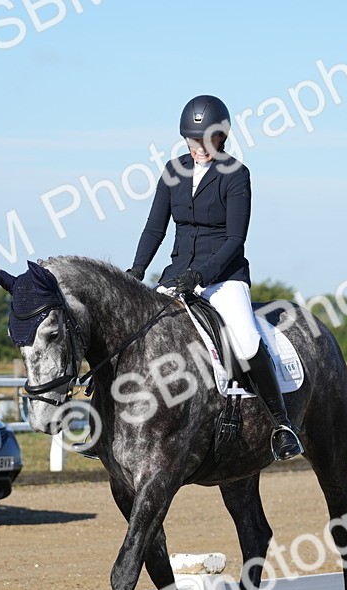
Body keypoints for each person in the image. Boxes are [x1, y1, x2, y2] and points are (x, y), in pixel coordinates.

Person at [128, 94, 304, 460]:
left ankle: (281, 424)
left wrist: (201, 274)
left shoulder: (236, 174)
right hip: (177, 276)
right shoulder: (172, 170)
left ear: (222, 137)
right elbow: (154, 228)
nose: (199, 148)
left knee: (245, 338)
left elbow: (235, 239)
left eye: (208, 140)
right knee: (138, 335)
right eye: (193, 141)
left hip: (224, 278)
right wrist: (137, 270)